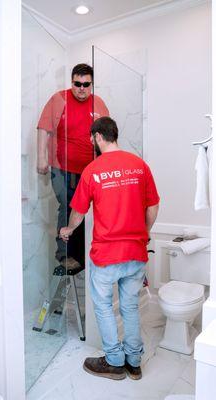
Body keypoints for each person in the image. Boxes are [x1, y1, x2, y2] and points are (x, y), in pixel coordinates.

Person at [60, 117, 159, 380]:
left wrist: (68, 230)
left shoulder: (93, 170)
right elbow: (153, 206)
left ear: (98, 137)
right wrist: (144, 233)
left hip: (107, 255)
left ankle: (114, 361)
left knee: (103, 307)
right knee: (129, 306)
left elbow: (78, 211)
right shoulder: (140, 166)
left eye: (92, 138)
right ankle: (134, 362)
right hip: (135, 252)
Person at [37, 63, 109, 270]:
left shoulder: (99, 104)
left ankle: (84, 255)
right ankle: (65, 256)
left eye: (86, 84)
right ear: (72, 82)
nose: (81, 88)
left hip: (90, 170)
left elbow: (107, 136)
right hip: (62, 167)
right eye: (77, 84)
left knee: (88, 211)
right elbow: (44, 127)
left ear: (92, 84)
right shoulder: (59, 99)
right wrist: (41, 157)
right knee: (68, 207)